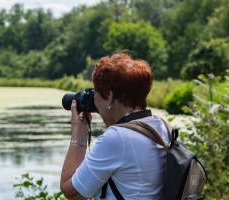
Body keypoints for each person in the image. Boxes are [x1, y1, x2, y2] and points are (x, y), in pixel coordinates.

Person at [60, 50, 170, 199]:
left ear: (110, 96)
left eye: (96, 93)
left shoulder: (117, 139)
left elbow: (71, 193)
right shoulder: (162, 126)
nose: (94, 99)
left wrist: (78, 135)